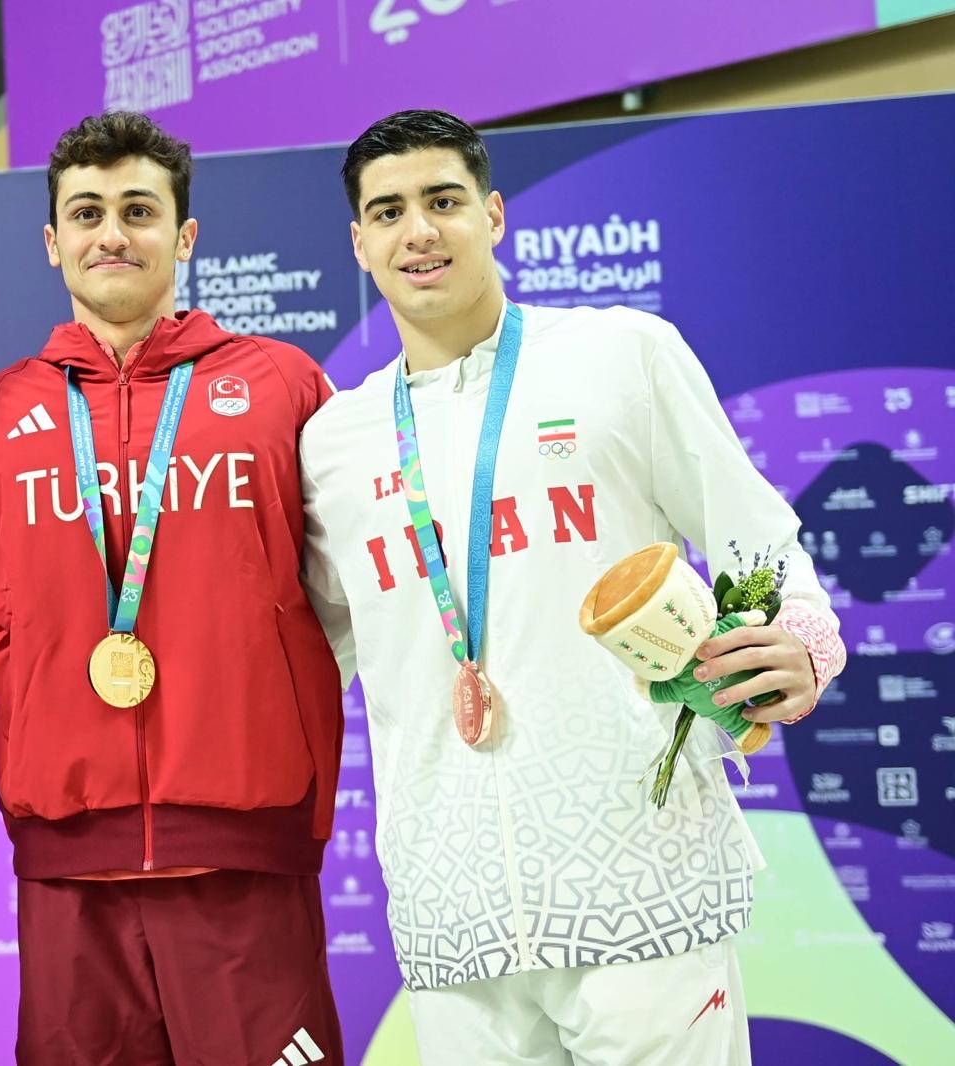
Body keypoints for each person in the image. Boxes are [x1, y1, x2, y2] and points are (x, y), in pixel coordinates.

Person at [298, 109, 845, 1066]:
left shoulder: (621, 355)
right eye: (388, 211)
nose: (418, 230)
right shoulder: (333, 444)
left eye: (443, 200)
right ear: (359, 242)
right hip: (451, 902)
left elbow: (755, 534)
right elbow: (306, 658)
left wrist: (803, 640)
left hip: (639, 871)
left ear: (493, 215)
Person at [0, 111, 345, 1066]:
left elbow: (351, 590)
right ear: (53, 242)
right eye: (86, 213)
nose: (112, 234)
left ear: (185, 234)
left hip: (246, 844)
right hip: (67, 859)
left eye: (138, 210)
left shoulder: (283, 384)